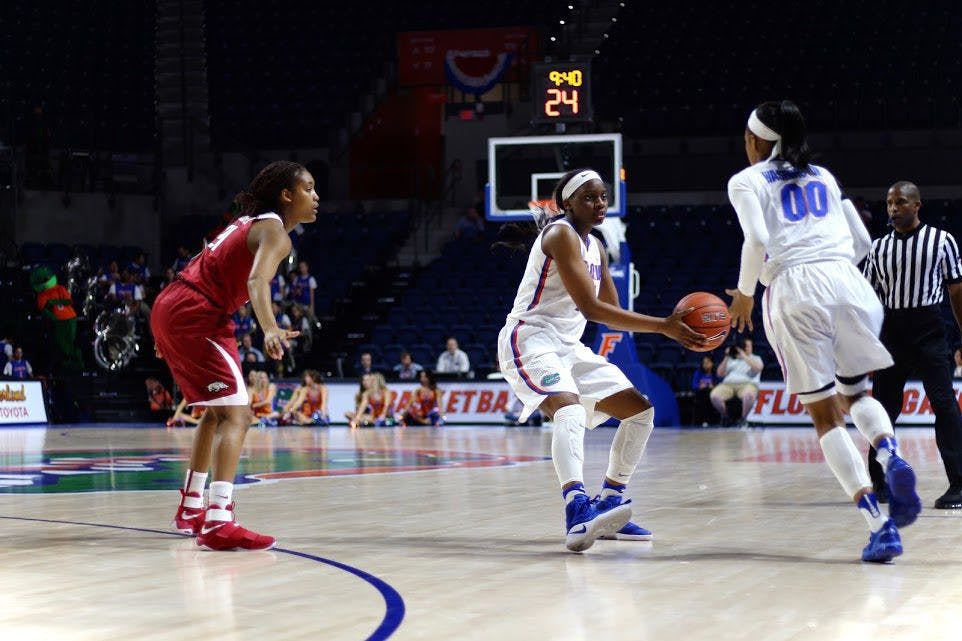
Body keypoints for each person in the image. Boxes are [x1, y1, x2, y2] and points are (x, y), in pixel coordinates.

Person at [725, 100, 920, 562]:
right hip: (849, 282)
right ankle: (889, 453)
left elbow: (756, 241)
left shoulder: (746, 179)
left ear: (755, 141)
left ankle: (880, 525)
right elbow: (862, 243)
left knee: (825, 415)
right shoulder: (825, 175)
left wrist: (745, 293)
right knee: (857, 393)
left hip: (796, 287)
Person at [495, 168, 707, 552]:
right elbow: (592, 308)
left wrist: (676, 328)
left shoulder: (597, 245)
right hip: (530, 339)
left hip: (569, 346)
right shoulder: (560, 234)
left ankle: (609, 503)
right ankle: (576, 509)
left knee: (640, 412)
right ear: (568, 203)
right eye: (590, 198)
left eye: (603, 197)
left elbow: (612, 309)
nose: (599, 204)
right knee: (570, 412)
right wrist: (664, 326)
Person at [151, 160, 317, 551]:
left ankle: (192, 507)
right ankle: (219, 519)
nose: (316, 196)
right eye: (308, 188)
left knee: (217, 413)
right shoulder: (275, 231)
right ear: (286, 195)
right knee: (238, 415)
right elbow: (257, 280)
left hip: (178, 302)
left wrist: (165, 323)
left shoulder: (248, 223)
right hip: (197, 312)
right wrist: (270, 327)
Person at [862, 181, 962, 510]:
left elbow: (956, 292)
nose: (893, 208)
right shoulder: (878, 248)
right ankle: (878, 481)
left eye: (900, 202)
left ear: (917, 205)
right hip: (891, 332)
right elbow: (867, 299)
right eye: (889, 203)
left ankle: (959, 485)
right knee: (883, 410)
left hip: (930, 329)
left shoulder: (942, 240)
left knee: (945, 405)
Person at [709, 337, 763, 427]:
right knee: (714, 396)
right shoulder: (732, 359)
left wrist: (744, 355)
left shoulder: (756, 358)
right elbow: (719, 373)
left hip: (747, 384)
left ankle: (743, 419)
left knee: (749, 396)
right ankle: (726, 417)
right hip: (728, 384)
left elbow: (758, 368)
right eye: (744, 346)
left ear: (752, 347)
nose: (745, 348)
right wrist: (727, 356)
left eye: (748, 346)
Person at [691, 355, 717, 427]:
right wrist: (700, 386)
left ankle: (709, 420)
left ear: (712, 363)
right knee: (704, 394)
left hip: (712, 393)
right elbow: (694, 385)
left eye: (708, 362)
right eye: (704, 363)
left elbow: (719, 384)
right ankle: (704, 420)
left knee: (708, 393)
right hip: (701, 394)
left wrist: (713, 387)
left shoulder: (715, 373)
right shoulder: (698, 372)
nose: (706, 365)